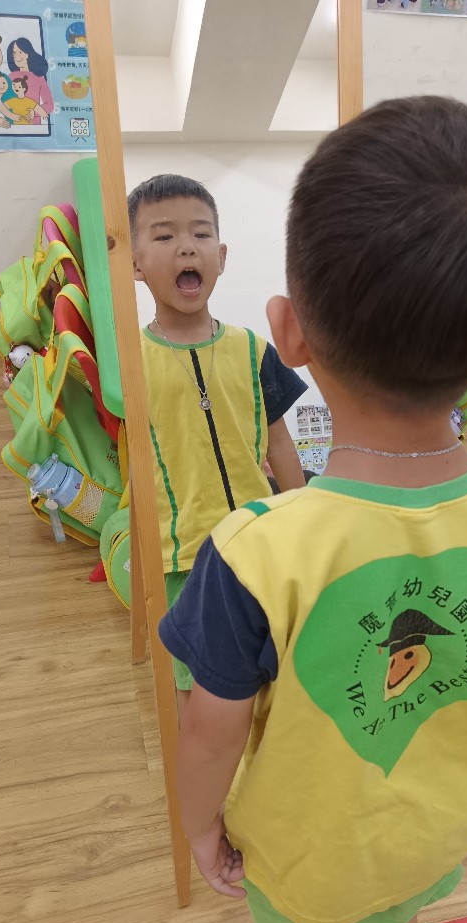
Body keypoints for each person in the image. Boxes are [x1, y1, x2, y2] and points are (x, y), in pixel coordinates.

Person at [158, 96, 467, 923]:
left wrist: (199, 827)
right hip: (436, 821)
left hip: (297, 841)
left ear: (287, 333)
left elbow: (210, 730)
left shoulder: (253, 551)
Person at [128, 174, 307, 720]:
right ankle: (202, 758)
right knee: (195, 682)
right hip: (185, 553)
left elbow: (280, 443)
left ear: (221, 257)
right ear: (134, 264)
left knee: (272, 658)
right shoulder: (130, 363)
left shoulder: (252, 350)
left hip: (258, 538)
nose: (187, 247)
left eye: (201, 234)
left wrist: (303, 516)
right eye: (164, 236)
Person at [7, 38, 53, 122]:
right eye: (14, 53)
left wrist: (34, 112)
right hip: (13, 124)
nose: (16, 56)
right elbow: (4, 102)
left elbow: (50, 105)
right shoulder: (10, 77)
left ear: (27, 54)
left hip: (34, 125)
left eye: (20, 52)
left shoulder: (39, 79)